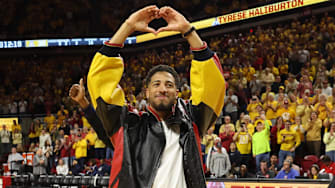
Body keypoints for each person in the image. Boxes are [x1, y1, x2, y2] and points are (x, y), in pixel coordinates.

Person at [69, 5, 225, 188]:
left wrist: (188, 31)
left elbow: (213, 84)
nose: (162, 89)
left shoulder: (192, 121)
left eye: (169, 85)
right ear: (147, 92)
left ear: (177, 93)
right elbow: (100, 83)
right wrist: (128, 26)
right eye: (156, 84)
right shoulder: (128, 124)